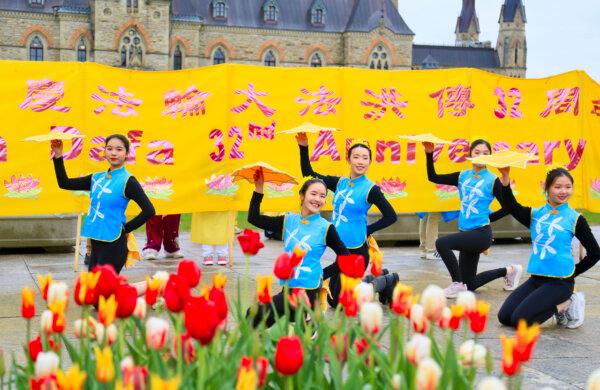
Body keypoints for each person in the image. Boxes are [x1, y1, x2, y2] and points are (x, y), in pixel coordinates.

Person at [297, 133, 398, 306]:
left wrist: (367, 230)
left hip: (356, 252)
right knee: (333, 299)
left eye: (365, 158)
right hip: (341, 250)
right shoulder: (340, 183)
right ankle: (376, 278)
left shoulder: (370, 189)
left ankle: (388, 280)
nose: (360, 161)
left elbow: (391, 216)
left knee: (340, 302)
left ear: (370, 162)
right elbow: (309, 174)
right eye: (356, 157)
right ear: (349, 159)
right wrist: (304, 147)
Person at [497, 167, 600, 328]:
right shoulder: (535, 215)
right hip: (536, 279)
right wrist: (505, 179)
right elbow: (511, 206)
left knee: (520, 322)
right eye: (558, 187)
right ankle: (559, 302)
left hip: (560, 283)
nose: (563, 191)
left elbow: (595, 252)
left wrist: (572, 273)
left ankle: (567, 303)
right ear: (547, 188)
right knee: (504, 317)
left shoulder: (575, 219)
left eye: (568, 187)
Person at [246, 170, 349, 327]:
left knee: (255, 314)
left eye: (322, 196)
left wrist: (323, 274)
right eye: (313, 194)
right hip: (288, 288)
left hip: (308, 292)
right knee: (256, 319)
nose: (318, 199)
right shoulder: (288, 220)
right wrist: (259, 188)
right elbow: (253, 218)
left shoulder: (326, 228)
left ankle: (309, 322)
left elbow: (346, 258)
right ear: (302, 195)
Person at [423, 139, 521, 298]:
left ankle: (456, 284)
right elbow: (433, 177)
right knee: (469, 284)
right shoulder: (462, 176)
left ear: (490, 157)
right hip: (466, 232)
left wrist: (488, 218)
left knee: (442, 243)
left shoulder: (493, 180)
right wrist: (429, 153)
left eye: (485, 153)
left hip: (481, 234)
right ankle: (510, 271)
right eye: (477, 152)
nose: (481, 156)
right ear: (470, 155)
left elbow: (509, 206)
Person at [51, 134, 155, 274]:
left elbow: (149, 210)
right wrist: (58, 156)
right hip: (96, 242)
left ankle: (152, 287)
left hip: (114, 244)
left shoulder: (128, 181)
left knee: (104, 289)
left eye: (119, 149)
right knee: (96, 290)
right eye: (109, 148)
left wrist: (125, 228)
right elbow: (64, 183)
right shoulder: (97, 178)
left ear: (126, 154)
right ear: (104, 152)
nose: (113, 153)